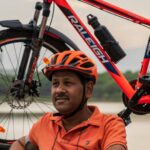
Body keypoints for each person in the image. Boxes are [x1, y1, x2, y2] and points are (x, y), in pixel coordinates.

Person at [10, 50, 127, 150]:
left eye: (67, 83)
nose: (59, 90)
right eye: (55, 83)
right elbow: (20, 144)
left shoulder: (109, 125)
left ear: (88, 89)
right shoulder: (46, 122)